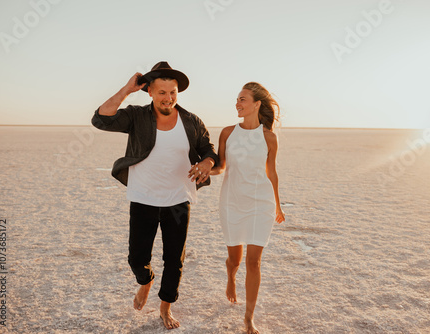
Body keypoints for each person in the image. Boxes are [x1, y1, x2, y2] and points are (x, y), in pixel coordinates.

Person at [91, 61, 218, 330]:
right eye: (162, 92)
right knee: (137, 258)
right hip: (143, 198)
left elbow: (209, 150)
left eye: (173, 92)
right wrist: (127, 90)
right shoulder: (137, 116)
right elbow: (101, 119)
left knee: (174, 260)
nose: (168, 98)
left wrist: (207, 163)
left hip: (178, 201)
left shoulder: (191, 121)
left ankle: (165, 307)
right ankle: (145, 281)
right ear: (149, 92)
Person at [211, 82, 285, 334]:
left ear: (256, 105)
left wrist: (277, 204)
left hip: (260, 204)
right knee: (235, 259)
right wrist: (202, 170)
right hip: (232, 202)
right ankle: (230, 277)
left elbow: (272, 173)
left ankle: (248, 318)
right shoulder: (227, 133)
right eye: (237, 99)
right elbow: (220, 167)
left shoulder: (269, 138)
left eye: (242, 99)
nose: (237, 104)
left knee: (254, 263)